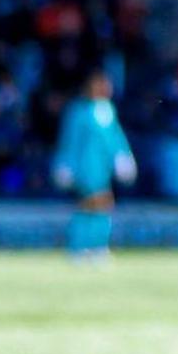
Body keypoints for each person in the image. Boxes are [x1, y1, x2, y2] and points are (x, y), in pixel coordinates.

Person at [53, 68, 134, 264]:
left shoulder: (107, 110)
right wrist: (64, 165)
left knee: (102, 205)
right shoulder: (78, 111)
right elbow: (70, 141)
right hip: (85, 167)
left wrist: (123, 157)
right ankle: (80, 246)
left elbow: (116, 139)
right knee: (90, 204)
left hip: (102, 168)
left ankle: (96, 246)